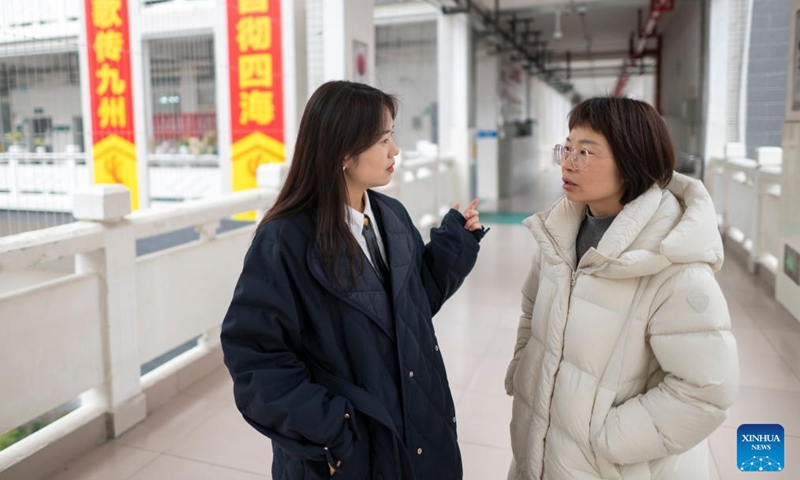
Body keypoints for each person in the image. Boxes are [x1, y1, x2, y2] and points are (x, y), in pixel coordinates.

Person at [221, 80, 487, 480]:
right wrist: (334, 431)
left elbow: (410, 308)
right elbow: (256, 357)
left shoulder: (391, 215)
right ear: (344, 151)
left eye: (392, 137)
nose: (395, 151)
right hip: (348, 449)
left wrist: (455, 245)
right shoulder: (285, 239)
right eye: (383, 140)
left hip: (417, 420)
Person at [505, 97, 739, 480]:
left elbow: (707, 390)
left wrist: (606, 439)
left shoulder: (675, 264)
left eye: (585, 152)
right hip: (542, 455)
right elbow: (531, 310)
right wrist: (524, 369)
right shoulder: (558, 236)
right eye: (567, 148)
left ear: (632, 162)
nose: (567, 162)